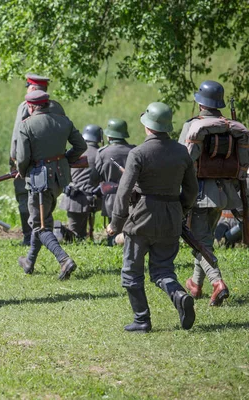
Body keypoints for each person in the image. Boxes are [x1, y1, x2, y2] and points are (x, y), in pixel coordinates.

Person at [107, 102, 199, 332]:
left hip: (141, 219)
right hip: (171, 218)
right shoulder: (181, 152)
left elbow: (124, 191)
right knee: (163, 270)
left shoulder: (138, 153)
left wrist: (116, 223)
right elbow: (191, 191)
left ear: (147, 126)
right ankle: (179, 296)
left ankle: (142, 320)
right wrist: (181, 212)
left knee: (131, 272)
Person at [178, 80, 248, 306]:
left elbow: (182, 162)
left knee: (200, 243)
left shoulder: (192, 126)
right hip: (225, 195)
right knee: (204, 238)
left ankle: (218, 284)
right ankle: (196, 285)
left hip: (198, 195)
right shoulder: (233, 126)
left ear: (200, 104)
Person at [16, 90, 86, 279]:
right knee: (42, 218)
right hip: (59, 180)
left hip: (39, 181)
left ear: (30, 106)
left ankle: (64, 260)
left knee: (39, 225)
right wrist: (64, 160)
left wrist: (23, 172)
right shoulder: (64, 121)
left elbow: (22, 158)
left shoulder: (26, 125)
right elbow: (81, 146)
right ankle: (29, 261)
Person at [10, 73, 65, 246]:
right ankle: (44, 233)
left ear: (32, 89)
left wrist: (16, 161)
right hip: (54, 165)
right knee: (48, 200)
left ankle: (31, 237)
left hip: (30, 163)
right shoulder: (57, 107)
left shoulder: (25, 106)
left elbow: (17, 137)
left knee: (25, 198)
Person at [90, 118, 135, 245]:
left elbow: (96, 176)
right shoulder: (134, 150)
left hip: (111, 198)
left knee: (113, 228)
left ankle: (113, 242)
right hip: (133, 196)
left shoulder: (103, 152)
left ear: (109, 135)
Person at [60, 124, 103, 239]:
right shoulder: (100, 153)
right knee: (78, 236)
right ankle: (58, 231)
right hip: (92, 198)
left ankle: (59, 233)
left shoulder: (73, 152)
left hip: (73, 198)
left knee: (76, 235)